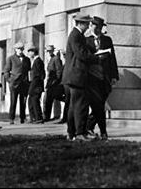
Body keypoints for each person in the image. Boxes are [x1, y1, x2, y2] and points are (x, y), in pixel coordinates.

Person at [62, 13, 100, 141]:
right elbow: (81, 54)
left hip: (73, 76)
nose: (89, 26)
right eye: (87, 24)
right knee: (80, 106)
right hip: (77, 76)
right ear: (80, 24)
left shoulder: (75, 35)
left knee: (73, 106)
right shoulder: (76, 35)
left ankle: (71, 133)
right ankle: (80, 133)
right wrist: (97, 57)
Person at [85, 16, 119, 140]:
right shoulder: (86, 41)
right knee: (98, 104)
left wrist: (114, 76)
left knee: (99, 105)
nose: (98, 29)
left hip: (105, 78)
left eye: (100, 27)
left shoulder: (107, 40)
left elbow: (113, 59)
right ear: (90, 26)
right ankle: (103, 131)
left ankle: (88, 126)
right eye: (95, 27)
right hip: (92, 78)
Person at [3, 41, 31, 124]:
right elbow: (6, 71)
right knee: (13, 101)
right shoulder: (11, 58)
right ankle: (11, 118)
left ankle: (23, 118)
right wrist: (9, 81)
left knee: (23, 102)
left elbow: (29, 71)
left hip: (24, 83)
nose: (20, 50)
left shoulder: (27, 59)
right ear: (15, 50)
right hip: (14, 83)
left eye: (22, 49)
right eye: (19, 49)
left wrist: (28, 81)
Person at [43, 45, 64, 122]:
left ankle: (47, 116)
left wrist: (55, 81)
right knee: (47, 100)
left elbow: (59, 71)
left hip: (53, 82)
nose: (48, 53)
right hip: (50, 82)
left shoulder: (56, 59)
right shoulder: (50, 59)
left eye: (50, 51)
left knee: (49, 99)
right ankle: (46, 116)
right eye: (47, 51)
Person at [27, 45, 45, 124]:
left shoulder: (38, 61)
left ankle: (38, 118)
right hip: (35, 85)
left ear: (34, 52)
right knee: (31, 101)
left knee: (35, 101)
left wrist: (32, 87)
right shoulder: (35, 60)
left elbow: (38, 76)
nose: (29, 53)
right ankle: (33, 117)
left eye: (30, 52)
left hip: (36, 86)